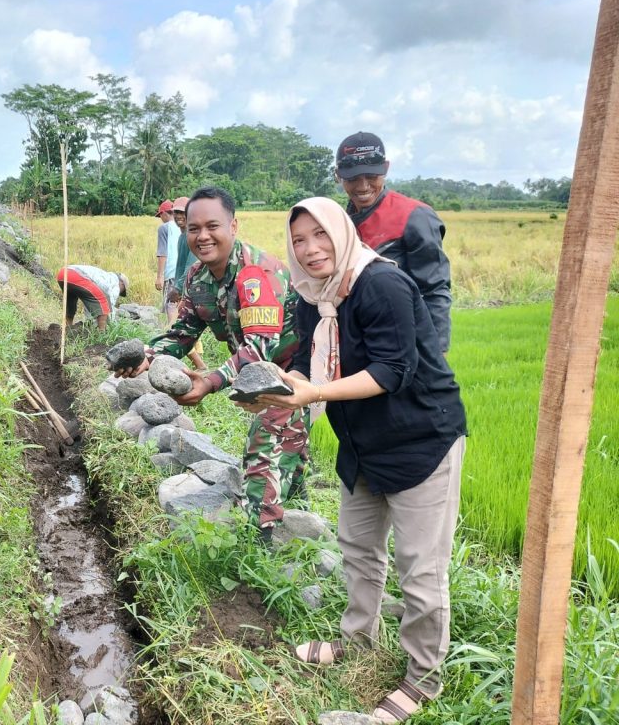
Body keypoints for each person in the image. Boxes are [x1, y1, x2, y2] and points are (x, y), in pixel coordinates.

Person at [249, 196, 466, 722]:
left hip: (420, 443)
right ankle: (358, 641)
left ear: (342, 233)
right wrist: (285, 386)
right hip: (364, 445)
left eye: (319, 235)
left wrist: (311, 395)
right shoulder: (311, 296)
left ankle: (422, 680)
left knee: (421, 570)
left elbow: (394, 369)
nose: (309, 248)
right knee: (358, 549)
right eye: (298, 240)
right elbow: (305, 364)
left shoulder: (381, 284)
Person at [118, 186, 308, 532]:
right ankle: (299, 528)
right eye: (193, 228)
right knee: (286, 456)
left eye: (213, 226)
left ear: (233, 227)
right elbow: (183, 333)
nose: (202, 236)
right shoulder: (197, 276)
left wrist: (208, 381)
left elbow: (260, 348)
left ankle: (258, 547)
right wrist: (147, 357)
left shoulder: (255, 274)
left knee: (263, 452)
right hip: (263, 376)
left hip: (295, 374)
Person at [334, 131, 453, 352]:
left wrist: (435, 354)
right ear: (338, 175)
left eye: (371, 176)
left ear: (386, 168)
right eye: (352, 178)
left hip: (402, 340)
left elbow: (434, 290)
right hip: (359, 340)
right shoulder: (339, 221)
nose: (362, 186)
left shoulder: (414, 216)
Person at [168, 196, 208, 372]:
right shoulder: (180, 237)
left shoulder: (191, 237)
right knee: (187, 327)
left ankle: (200, 365)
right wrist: (176, 288)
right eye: (175, 212)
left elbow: (191, 266)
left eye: (181, 212)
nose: (178, 216)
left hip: (194, 288)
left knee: (177, 328)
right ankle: (199, 365)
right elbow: (180, 266)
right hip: (185, 289)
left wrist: (178, 289)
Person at [56, 265, 129, 331]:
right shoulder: (114, 282)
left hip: (63, 273)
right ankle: (102, 334)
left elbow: (89, 301)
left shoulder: (103, 276)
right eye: (122, 290)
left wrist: (89, 320)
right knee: (105, 301)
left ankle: (67, 329)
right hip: (76, 275)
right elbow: (110, 303)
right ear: (121, 283)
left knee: (70, 303)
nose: (119, 293)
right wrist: (112, 325)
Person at [154, 199, 180, 323]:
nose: (161, 218)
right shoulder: (185, 226)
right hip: (187, 273)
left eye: (160, 215)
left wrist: (160, 276)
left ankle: (171, 332)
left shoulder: (164, 228)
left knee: (171, 304)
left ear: (164, 213)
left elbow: (162, 253)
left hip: (171, 273)